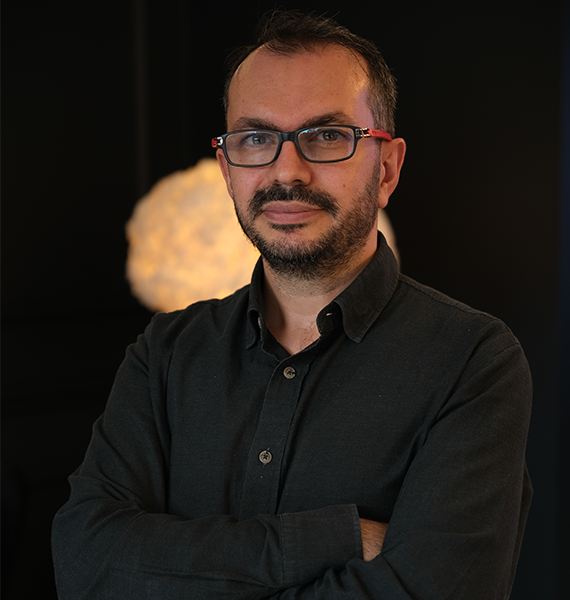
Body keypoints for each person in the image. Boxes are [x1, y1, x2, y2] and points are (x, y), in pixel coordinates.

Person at [52, 10, 532, 599]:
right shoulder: (166, 353)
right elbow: (86, 562)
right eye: (256, 138)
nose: (287, 172)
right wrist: (337, 537)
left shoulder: (473, 361)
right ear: (227, 170)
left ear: (386, 168)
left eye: (327, 136)